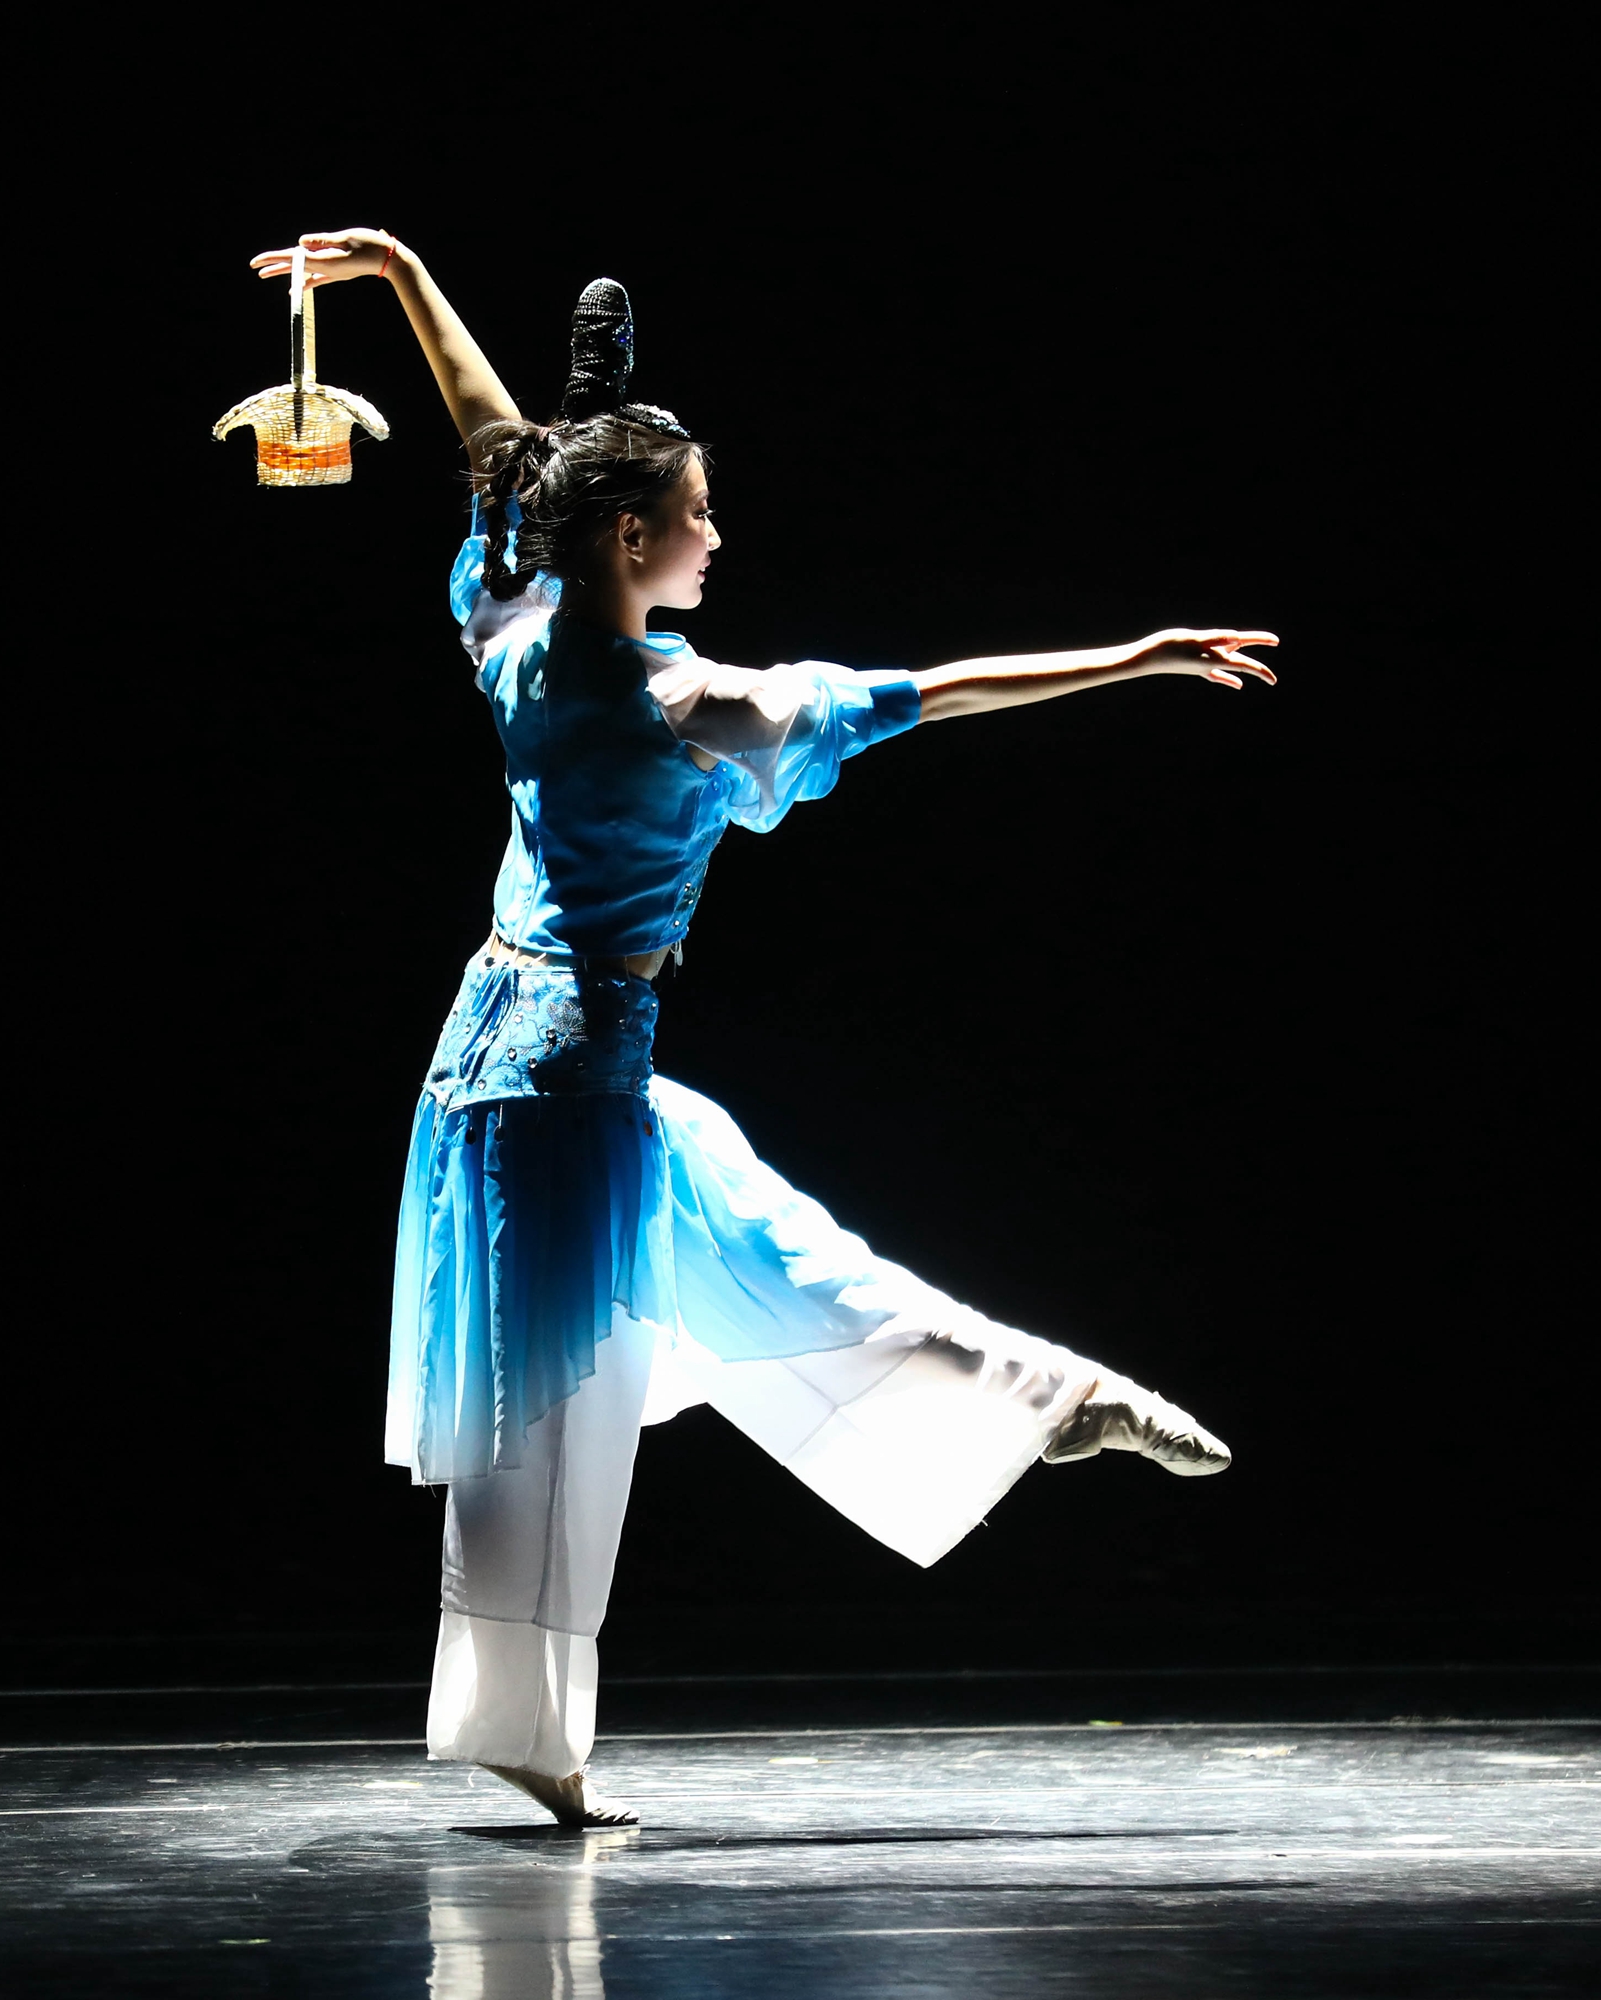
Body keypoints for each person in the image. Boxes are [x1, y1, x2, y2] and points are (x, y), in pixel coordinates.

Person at [253, 228, 1278, 1828]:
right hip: (555, 1093)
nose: (717, 536)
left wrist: (396, 273)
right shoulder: (699, 710)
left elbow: (504, 450)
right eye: (698, 513)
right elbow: (933, 693)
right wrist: (1131, 660)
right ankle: (538, 1732)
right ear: (632, 534)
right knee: (552, 1415)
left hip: (528, 1066)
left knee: (777, 1262)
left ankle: (1036, 1399)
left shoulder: (514, 635)